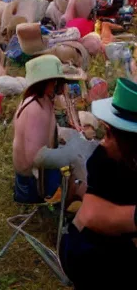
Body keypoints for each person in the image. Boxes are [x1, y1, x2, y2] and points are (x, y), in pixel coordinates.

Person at [62, 78, 137, 289]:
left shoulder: (126, 158)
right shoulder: (101, 160)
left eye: (108, 133)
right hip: (92, 255)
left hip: (112, 247)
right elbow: (95, 216)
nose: (104, 139)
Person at [11, 55, 90, 203]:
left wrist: (70, 135)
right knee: (78, 176)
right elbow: (35, 157)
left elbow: (48, 130)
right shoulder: (35, 108)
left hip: (36, 173)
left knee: (79, 150)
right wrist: (69, 155)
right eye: (57, 82)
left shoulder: (42, 101)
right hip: (31, 182)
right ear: (47, 82)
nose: (60, 86)